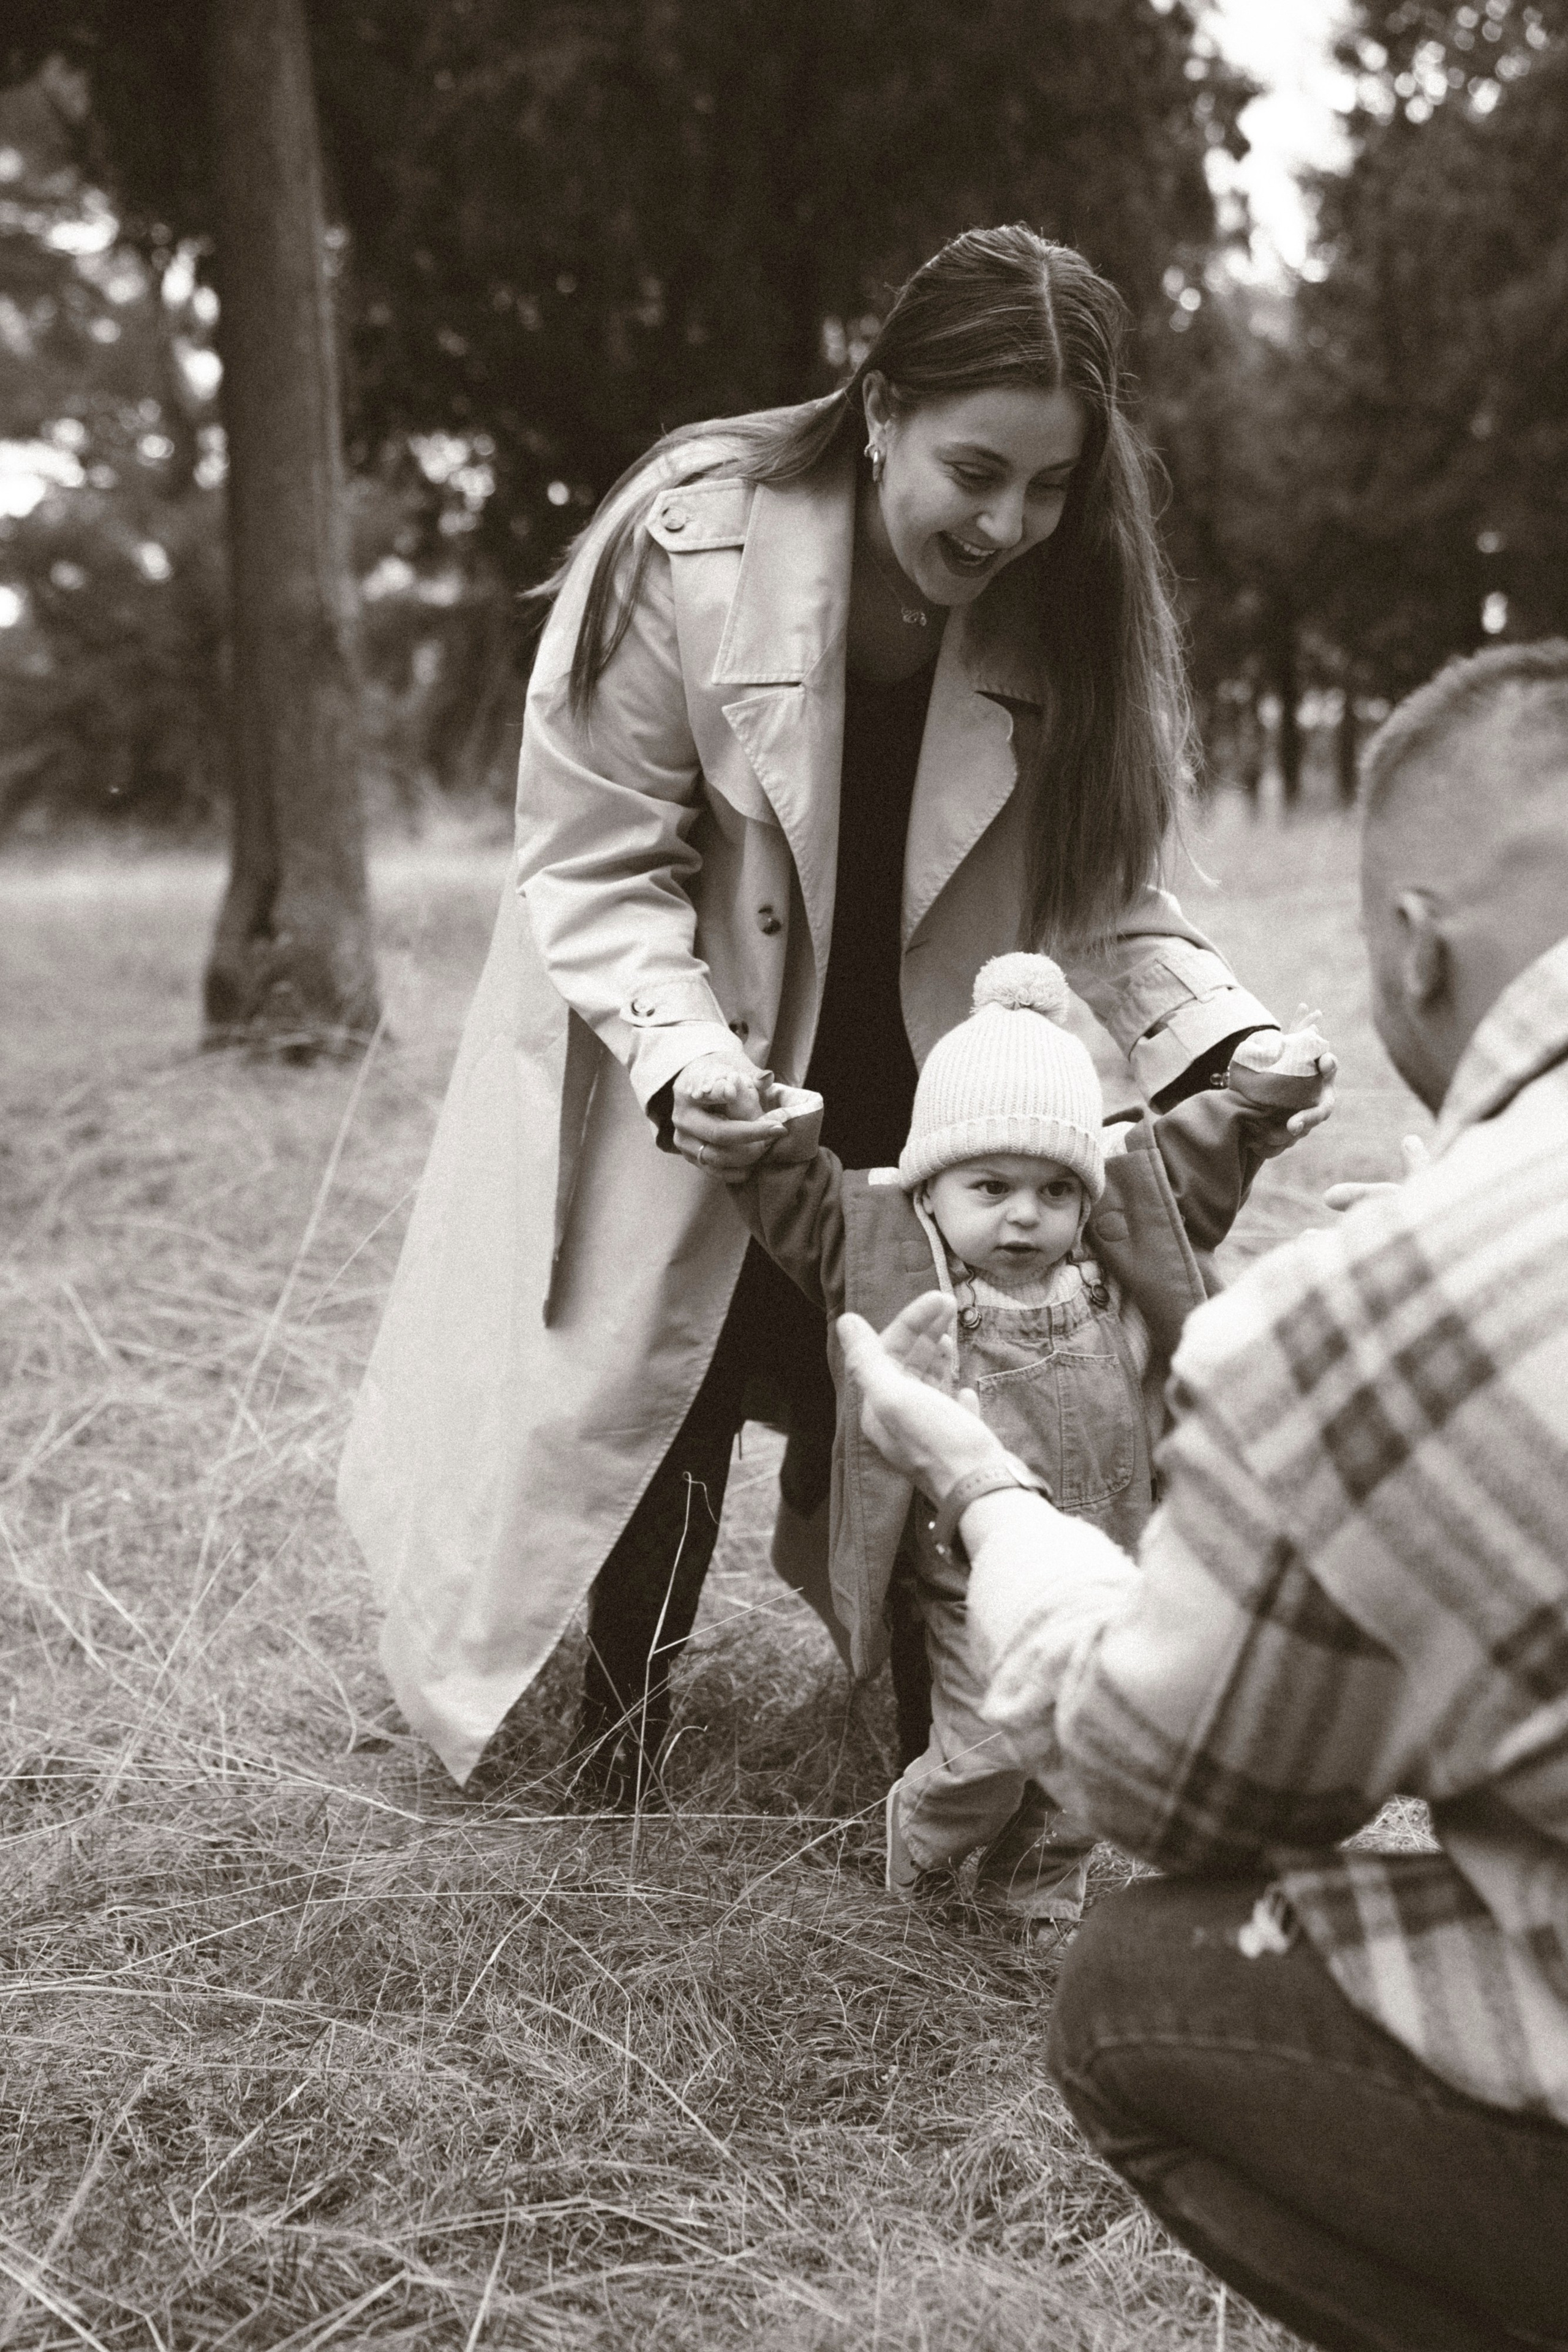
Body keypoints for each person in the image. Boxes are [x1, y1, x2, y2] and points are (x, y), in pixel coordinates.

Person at [337, 223, 1283, 1803]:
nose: (1009, 524)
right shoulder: (687, 547)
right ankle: (615, 1750)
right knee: (674, 1393)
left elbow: (1117, 892)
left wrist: (1222, 1037)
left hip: (931, 1089)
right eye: (975, 470)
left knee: (925, 1390)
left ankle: (937, 1750)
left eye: (1049, 487)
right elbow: (600, 855)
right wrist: (690, 1059)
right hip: (705, 1049)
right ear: (879, 407)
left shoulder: (1076, 602)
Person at [835, 639, 1568, 2352]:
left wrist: (983, 1486)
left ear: (1412, 946)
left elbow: (1178, 1789)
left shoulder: (1390, 1315)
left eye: (1049, 1189)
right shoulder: (938, 1257)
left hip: (1083, 1590)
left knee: (1134, 1989)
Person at [722, 953, 1330, 1921]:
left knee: (1087, 1747)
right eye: (991, 1187)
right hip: (969, 1581)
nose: (1024, 1216)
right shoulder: (886, 1253)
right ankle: (920, 1854)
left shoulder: (1110, 1257)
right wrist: (763, 1121)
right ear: (932, 1187)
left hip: (1109, 1559)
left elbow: (1197, 1155)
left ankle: (1035, 1901)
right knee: (992, 1748)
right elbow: (791, 1198)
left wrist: (1264, 1090)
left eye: (1054, 1192)